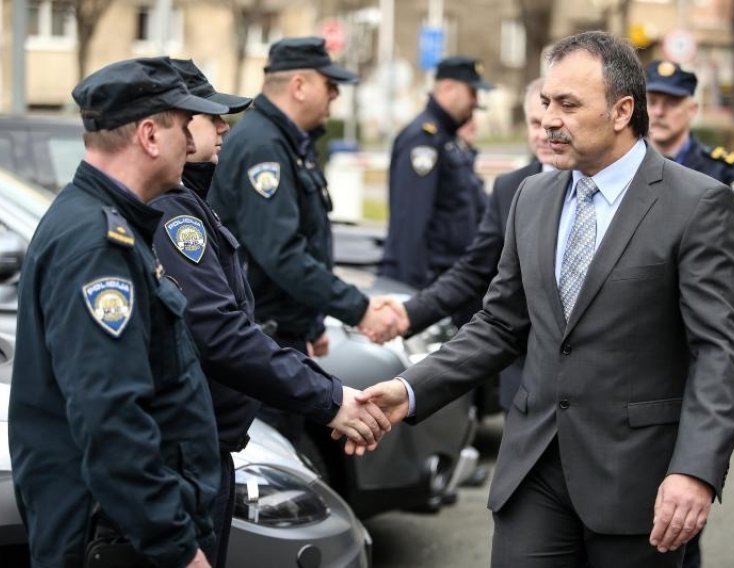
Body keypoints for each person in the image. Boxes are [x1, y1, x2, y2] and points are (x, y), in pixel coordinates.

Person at [354, 31, 734, 567]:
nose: (548, 120)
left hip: (637, 481)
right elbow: (500, 324)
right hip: (533, 471)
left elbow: (719, 354)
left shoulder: (696, 204)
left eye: (568, 104)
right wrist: (410, 390)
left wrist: (695, 470)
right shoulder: (531, 197)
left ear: (621, 111)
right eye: (545, 102)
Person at [151, 59, 390, 568]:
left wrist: (314, 328)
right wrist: (331, 397)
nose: (224, 128)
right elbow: (222, 327)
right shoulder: (174, 209)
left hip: (221, 419)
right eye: (209, 117)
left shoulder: (190, 195)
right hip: (196, 435)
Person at [9, 57, 229, 567]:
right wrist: (178, 549)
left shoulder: (105, 223)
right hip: (115, 540)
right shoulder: (96, 245)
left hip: (124, 534)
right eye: (182, 128)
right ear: (150, 136)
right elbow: (112, 422)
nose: (190, 144)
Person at [207, 37, 399, 442]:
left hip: (281, 334)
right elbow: (281, 254)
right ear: (298, 86)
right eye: (329, 85)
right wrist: (359, 309)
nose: (335, 96)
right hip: (263, 339)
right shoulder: (263, 146)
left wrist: (310, 323)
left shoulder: (287, 142)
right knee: (278, 457)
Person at [377, 77, 556, 412]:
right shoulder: (511, 189)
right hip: (524, 383)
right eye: (535, 123)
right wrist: (408, 312)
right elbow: (474, 270)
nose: (545, 134)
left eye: (552, 122)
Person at [646, 59, 734, 310]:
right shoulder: (626, 166)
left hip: (701, 310)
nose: (658, 112)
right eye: (652, 102)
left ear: (692, 110)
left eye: (671, 103)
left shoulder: (722, 170)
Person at [380, 56, 494, 291]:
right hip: (430, 280)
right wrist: (413, 294)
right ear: (448, 88)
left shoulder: (446, 138)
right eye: (472, 91)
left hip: (450, 279)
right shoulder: (423, 140)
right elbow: (411, 221)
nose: (475, 101)